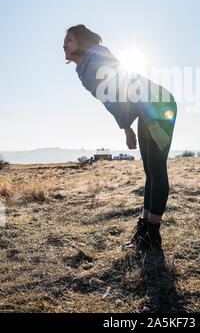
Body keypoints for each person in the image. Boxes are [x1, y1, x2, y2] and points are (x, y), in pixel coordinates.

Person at [63, 24, 177, 250]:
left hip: (158, 103)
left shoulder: (97, 56)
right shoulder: (83, 71)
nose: (64, 44)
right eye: (63, 41)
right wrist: (127, 128)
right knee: (149, 171)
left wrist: (153, 122)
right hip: (147, 108)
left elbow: (133, 83)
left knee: (156, 167)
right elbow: (112, 102)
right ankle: (145, 229)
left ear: (82, 42)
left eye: (69, 39)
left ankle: (152, 236)